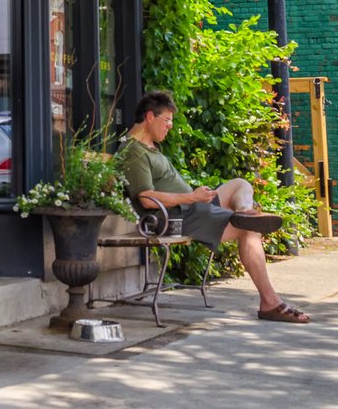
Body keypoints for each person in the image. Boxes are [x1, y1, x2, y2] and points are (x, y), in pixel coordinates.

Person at [120, 89, 310, 324]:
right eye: (167, 120)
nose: (170, 126)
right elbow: (147, 199)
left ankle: (243, 211)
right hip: (178, 217)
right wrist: (191, 198)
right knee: (250, 230)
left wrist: (196, 197)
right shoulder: (133, 151)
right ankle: (270, 302)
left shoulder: (150, 146)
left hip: (192, 205)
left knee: (239, 185)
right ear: (150, 117)